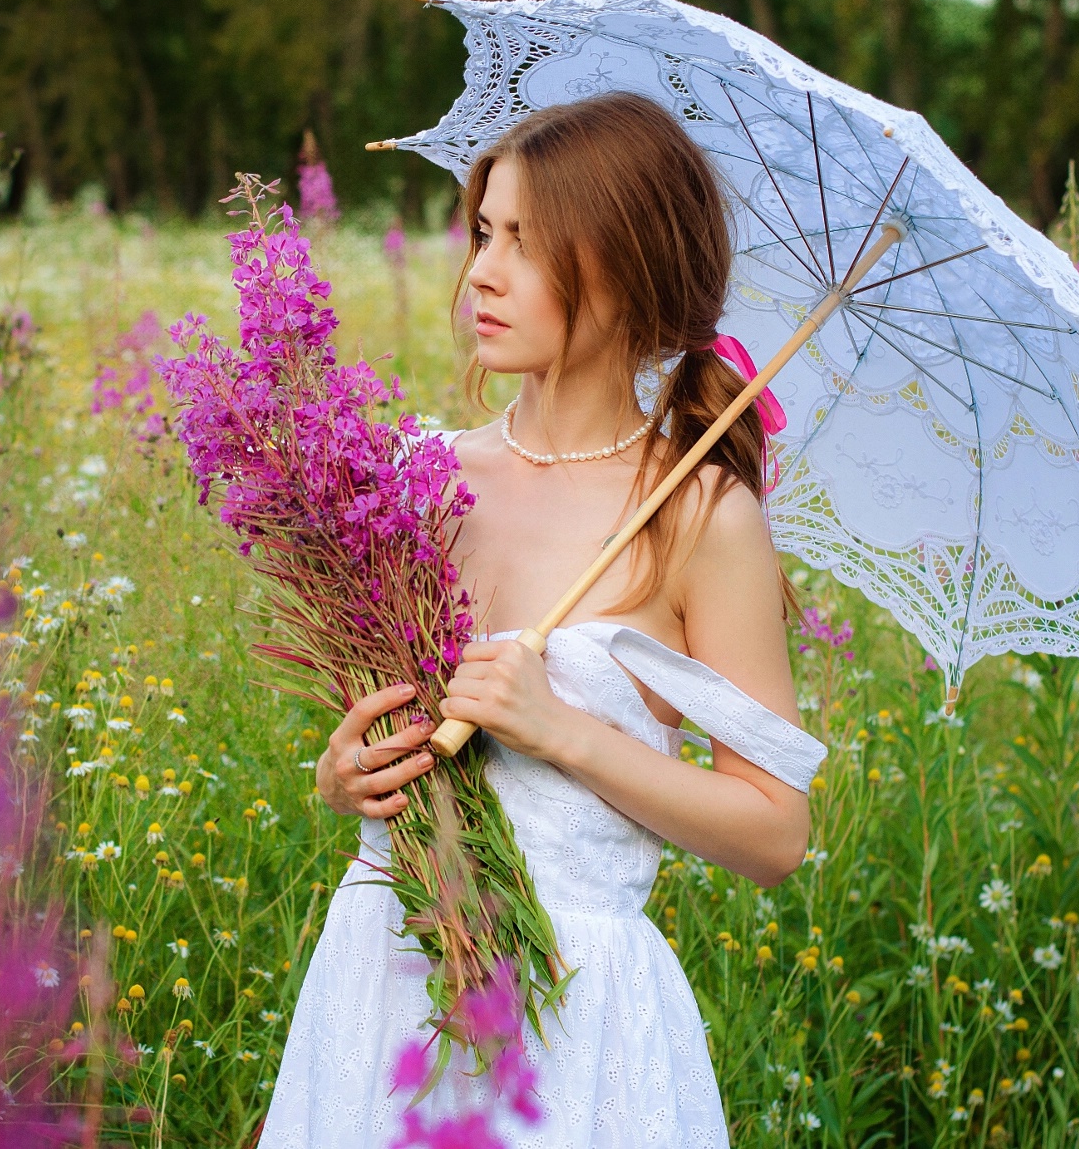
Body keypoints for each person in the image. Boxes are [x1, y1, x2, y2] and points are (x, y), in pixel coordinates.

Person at [258, 92, 827, 1148]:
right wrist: (345, 775)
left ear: (625, 266)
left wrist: (562, 730)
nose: (479, 269)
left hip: (570, 1012)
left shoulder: (699, 516)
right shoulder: (412, 480)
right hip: (386, 962)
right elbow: (390, 747)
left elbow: (774, 834)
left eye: (525, 241)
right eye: (482, 231)